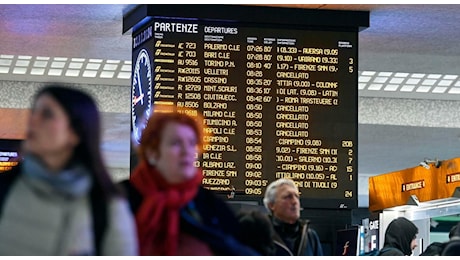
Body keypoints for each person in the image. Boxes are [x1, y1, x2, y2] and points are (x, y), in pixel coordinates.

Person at [0, 84, 138, 255]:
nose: (32, 120)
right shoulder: (5, 189)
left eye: (47, 114)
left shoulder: (106, 209)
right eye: (34, 111)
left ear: (75, 134)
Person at [121, 107, 258, 256]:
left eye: (192, 143)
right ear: (151, 152)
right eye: (176, 143)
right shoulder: (120, 199)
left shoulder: (211, 207)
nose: (187, 151)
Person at [263, 178, 323, 256]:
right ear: (271, 205)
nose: (295, 202)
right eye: (288, 197)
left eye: (297, 196)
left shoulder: (310, 237)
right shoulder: (260, 235)